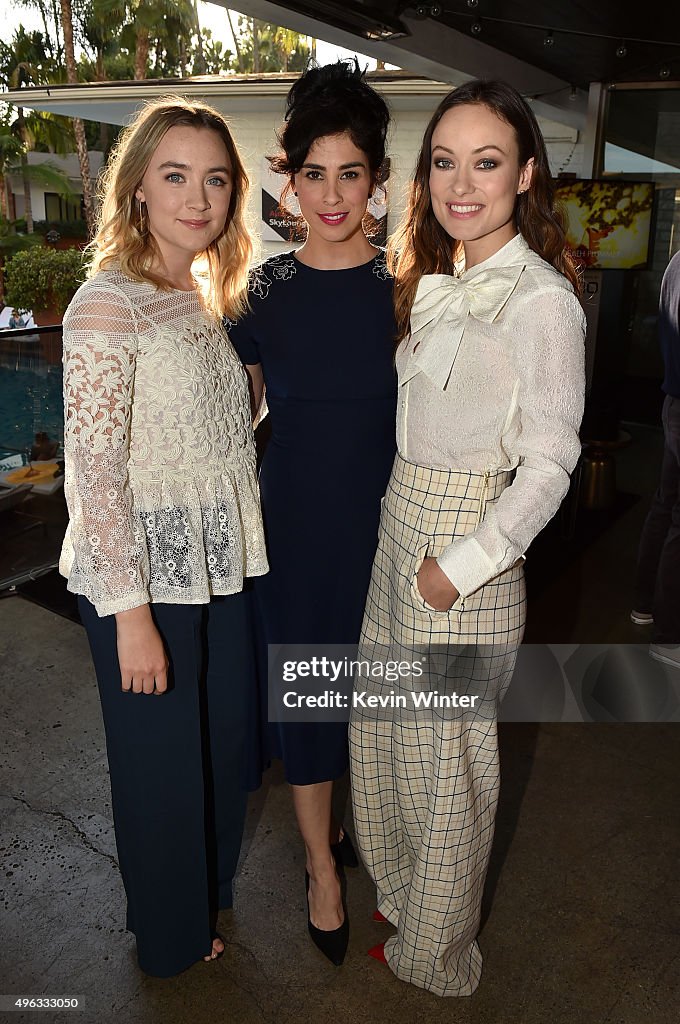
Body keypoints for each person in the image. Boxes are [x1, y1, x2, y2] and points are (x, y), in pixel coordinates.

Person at [349, 79, 586, 996]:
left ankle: (438, 955)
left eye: (485, 162)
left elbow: (552, 465)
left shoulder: (540, 302)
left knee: (448, 768)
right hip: (397, 527)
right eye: (444, 161)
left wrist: (464, 565)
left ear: (524, 173)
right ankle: (409, 897)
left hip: (468, 556)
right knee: (386, 740)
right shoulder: (436, 277)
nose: (461, 183)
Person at [59, 96, 268, 977]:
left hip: (216, 567)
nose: (198, 195)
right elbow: (95, 473)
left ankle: (206, 890)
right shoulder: (106, 305)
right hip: (140, 579)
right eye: (176, 175)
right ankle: (174, 942)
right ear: (138, 186)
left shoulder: (196, 294)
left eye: (216, 178)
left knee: (224, 748)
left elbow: (210, 430)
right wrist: (130, 614)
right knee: (161, 771)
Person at [228, 60, 397, 966]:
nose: (331, 196)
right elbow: (236, 409)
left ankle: (381, 841)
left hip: (391, 524)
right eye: (313, 173)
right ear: (287, 178)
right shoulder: (263, 292)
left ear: (377, 183)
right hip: (293, 525)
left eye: (351, 174)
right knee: (310, 698)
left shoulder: (409, 292)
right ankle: (320, 869)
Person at [631, 250, 680, 666]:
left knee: (665, 506)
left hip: (673, 400)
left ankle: (645, 604)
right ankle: (669, 636)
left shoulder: (676, 262)